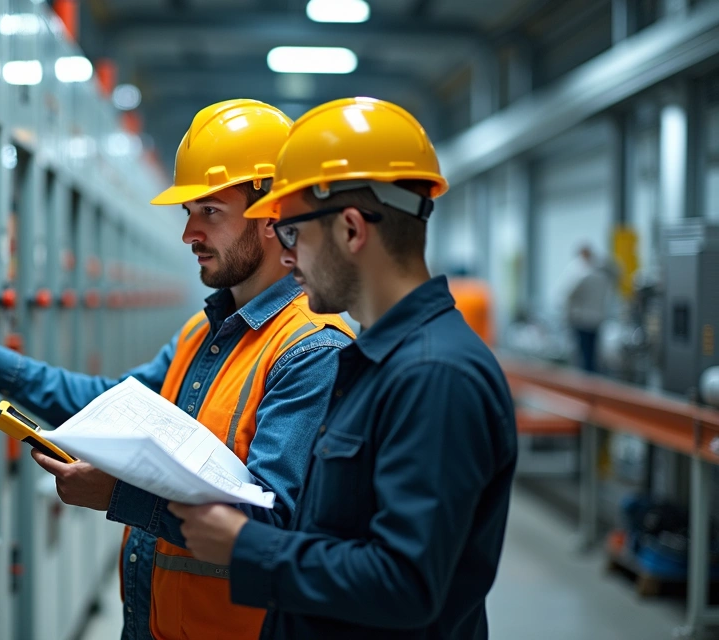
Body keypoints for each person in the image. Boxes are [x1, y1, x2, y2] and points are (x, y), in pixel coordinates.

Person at [0, 99, 354, 640]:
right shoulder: (201, 334)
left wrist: (117, 497)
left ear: (273, 217)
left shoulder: (310, 352)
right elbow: (109, 404)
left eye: (210, 212)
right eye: (188, 214)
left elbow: (269, 530)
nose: (189, 234)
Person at [168, 97, 518, 639]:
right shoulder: (377, 362)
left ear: (351, 230)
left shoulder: (434, 377)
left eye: (293, 235)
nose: (287, 257)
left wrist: (246, 545)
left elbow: (406, 583)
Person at [566, 245, 610, 372]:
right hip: (596, 320)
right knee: (592, 355)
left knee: (582, 355)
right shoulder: (603, 277)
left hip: (582, 321)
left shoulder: (583, 276)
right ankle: (592, 379)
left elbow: (569, 295)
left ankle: (585, 383)